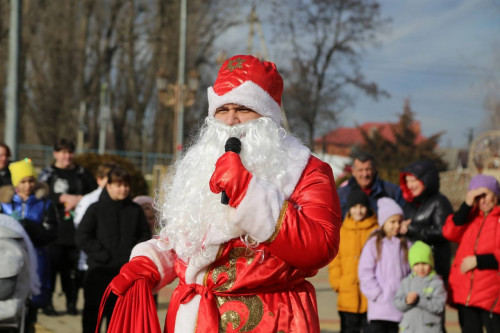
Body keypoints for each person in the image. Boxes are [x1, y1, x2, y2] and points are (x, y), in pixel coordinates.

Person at [102, 54, 341, 333]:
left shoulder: (306, 170)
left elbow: (320, 247)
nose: (230, 120)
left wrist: (250, 194)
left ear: (268, 115)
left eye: (243, 108)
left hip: (271, 320)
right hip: (192, 318)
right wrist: (151, 262)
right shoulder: (198, 163)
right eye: (222, 109)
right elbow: (187, 242)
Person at [75, 166, 151, 333]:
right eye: (118, 185)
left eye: (126, 185)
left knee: (118, 317)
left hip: (125, 274)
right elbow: (82, 236)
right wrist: (102, 255)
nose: (123, 189)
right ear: (108, 185)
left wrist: (132, 257)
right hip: (98, 271)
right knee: (93, 314)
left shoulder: (134, 210)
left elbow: (145, 235)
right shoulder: (95, 209)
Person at [38, 139, 97, 315]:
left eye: (70, 152)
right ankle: (47, 303)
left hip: (76, 230)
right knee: (51, 268)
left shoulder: (83, 173)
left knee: (72, 271)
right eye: (62, 152)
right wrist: (61, 198)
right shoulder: (48, 173)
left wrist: (78, 199)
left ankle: (71, 303)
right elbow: (39, 194)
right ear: (55, 153)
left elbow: (95, 194)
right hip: (54, 229)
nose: (67, 156)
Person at [0, 158, 59, 332]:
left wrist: (28, 226)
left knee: (31, 303)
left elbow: (51, 233)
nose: (27, 185)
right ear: (15, 183)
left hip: (36, 258)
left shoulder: (45, 203)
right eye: (23, 181)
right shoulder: (4, 204)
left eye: (31, 180)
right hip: (7, 260)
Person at [442, 174, 500, 333]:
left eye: (486, 195)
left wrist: (479, 261)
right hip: (465, 294)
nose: (483, 201)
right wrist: (467, 204)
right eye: (477, 197)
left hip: (492, 295)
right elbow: (449, 232)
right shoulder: (470, 217)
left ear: (495, 194)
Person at [358, 197, 411, 333]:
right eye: (392, 222)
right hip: (379, 309)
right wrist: (377, 294)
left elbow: (410, 271)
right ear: (383, 223)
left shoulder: (406, 244)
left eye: (399, 221)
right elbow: (365, 272)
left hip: (399, 308)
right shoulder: (374, 244)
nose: (396, 225)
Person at [328, 190, 378, 333]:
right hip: (347, 294)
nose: (358, 210)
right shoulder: (342, 231)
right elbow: (335, 260)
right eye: (354, 207)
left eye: (362, 206)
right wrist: (338, 282)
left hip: (370, 296)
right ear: (349, 208)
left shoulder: (375, 230)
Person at [399, 160, 453, 285]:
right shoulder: (408, 203)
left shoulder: (440, 202)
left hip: (433, 265)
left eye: (413, 180)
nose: (410, 185)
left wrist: (412, 229)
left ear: (426, 180)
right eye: (407, 181)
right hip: (412, 265)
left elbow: (444, 232)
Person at [394, 241, 447, 333]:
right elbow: (397, 303)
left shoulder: (436, 283)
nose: (421, 268)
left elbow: (439, 306)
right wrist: (406, 301)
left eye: (424, 263)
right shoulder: (406, 282)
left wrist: (419, 301)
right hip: (409, 329)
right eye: (417, 264)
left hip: (429, 329)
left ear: (431, 263)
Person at [73, 163, 116, 272]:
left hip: (115, 261)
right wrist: (98, 251)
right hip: (91, 261)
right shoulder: (89, 200)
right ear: (99, 180)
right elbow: (80, 227)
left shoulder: (121, 200)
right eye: (108, 179)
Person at [337, 152, 404, 220]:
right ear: (353, 171)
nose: (365, 174)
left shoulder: (392, 191)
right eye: (360, 170)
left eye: (368, 169)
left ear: (374, 169)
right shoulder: (342, 194)